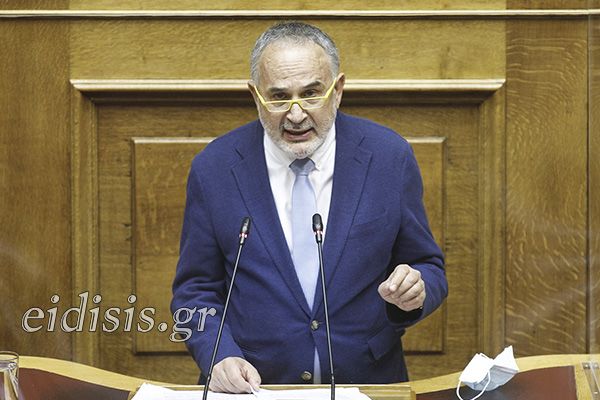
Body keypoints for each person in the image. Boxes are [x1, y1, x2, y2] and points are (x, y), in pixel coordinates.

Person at [171, 21, 447, 393]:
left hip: (367, 382)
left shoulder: (388, 157)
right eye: (279, 97)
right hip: (256, 388)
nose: (296, 114)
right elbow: (195, 290)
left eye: (312, 94)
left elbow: (428, 267)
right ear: (256, 96)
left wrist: (415, 290)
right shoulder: (215, 168)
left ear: (338, 90)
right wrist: (218, 355)